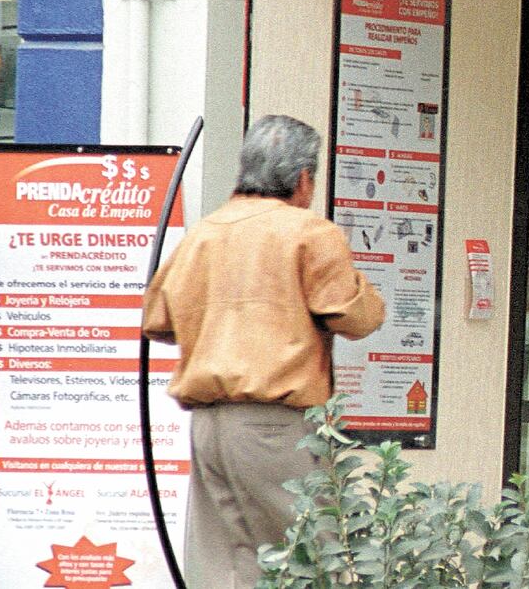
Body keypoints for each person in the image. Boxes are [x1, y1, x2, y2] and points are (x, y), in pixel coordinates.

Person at [142, 114, 385, 588]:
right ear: (303, 178)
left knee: (227, 561)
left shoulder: (205, 232)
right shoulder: (309, 232)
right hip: (274, 425)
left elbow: (158, 319)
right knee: (305, 558)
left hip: (209, 424)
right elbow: (354, 316)